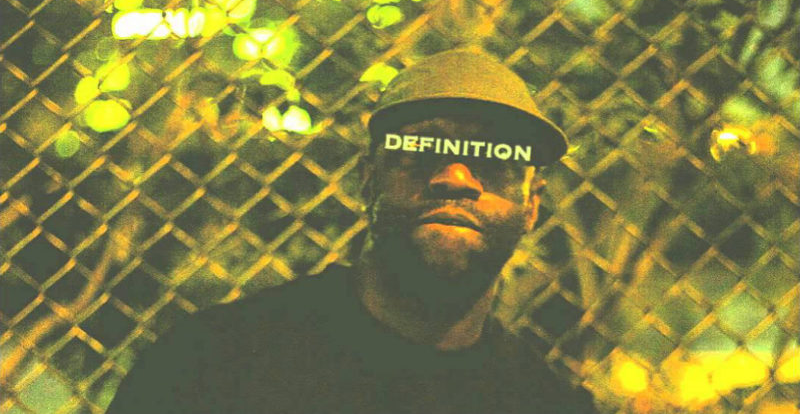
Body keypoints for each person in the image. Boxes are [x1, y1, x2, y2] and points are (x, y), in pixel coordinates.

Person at [106, 49, 599, 414]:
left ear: (531, 205)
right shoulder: (214, 364)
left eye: (495, 159)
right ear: (369, 180)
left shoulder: (543, 403)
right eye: (423, 149)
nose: (455, 177)